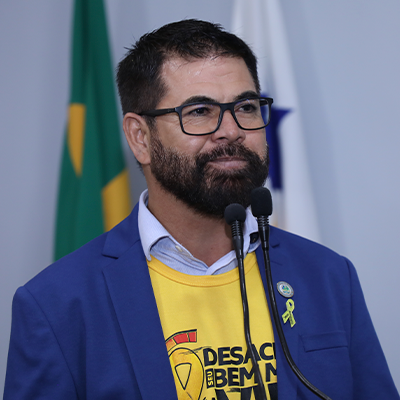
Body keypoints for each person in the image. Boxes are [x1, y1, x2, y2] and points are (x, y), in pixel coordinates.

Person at [3, 19, 398, 400]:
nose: (231, 131)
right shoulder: (57, 305)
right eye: (199, 111)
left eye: (246, 107)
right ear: (140, 138)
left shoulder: (329, 277)